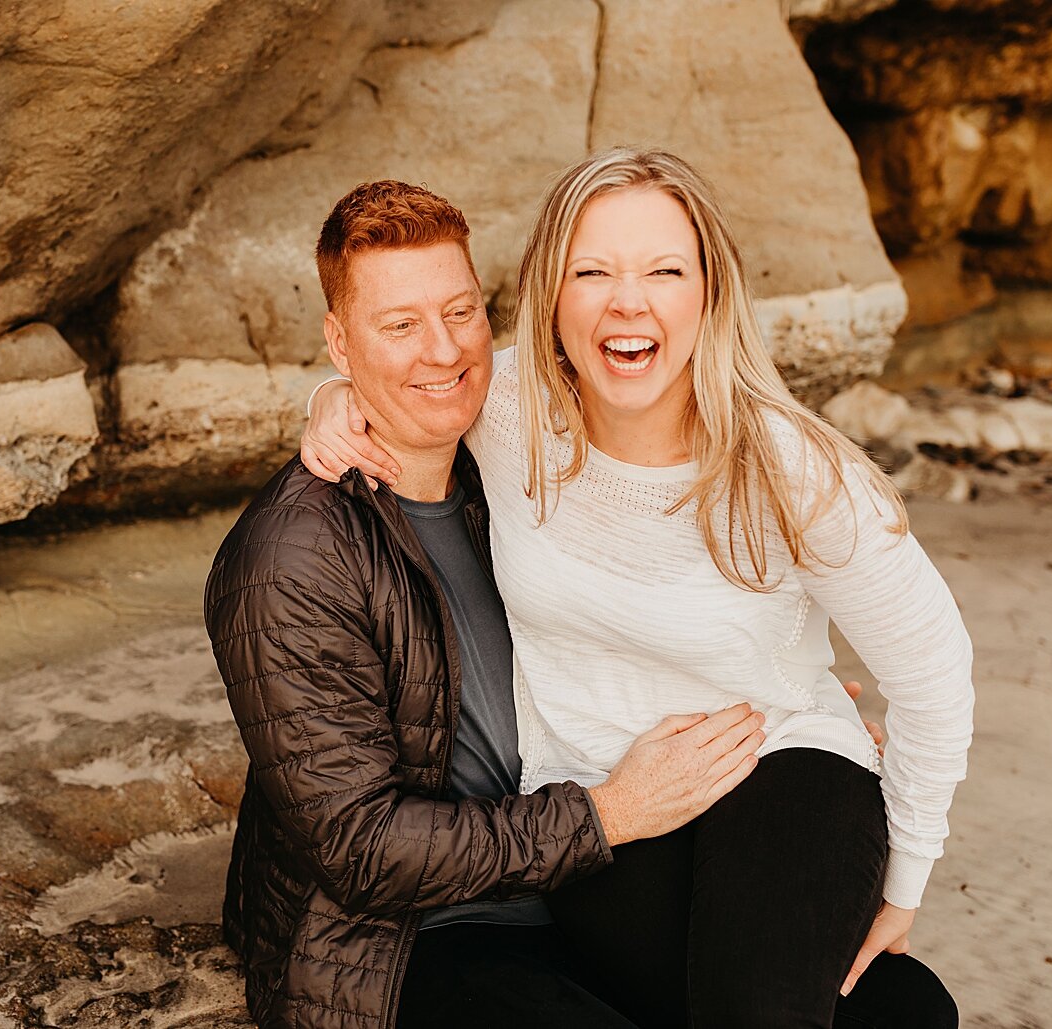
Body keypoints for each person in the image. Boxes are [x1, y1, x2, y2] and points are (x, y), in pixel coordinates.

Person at [302, 149, 975, 1028]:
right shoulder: (506, 408)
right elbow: (400, 372)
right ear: (552, 295)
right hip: (606, 813)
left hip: (783, 772)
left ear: (708, 292)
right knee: (901, 1012)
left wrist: (907, 876)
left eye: (664, 269)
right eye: (593, 271)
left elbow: (933, 666)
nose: (629, 300)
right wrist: (329, 399)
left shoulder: (787, 468)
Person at [204, 179, 774, 1029]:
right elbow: (363, 851)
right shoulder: (290, 557)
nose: (441, 352)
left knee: (899, 1007)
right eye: (398, 326)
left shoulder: (512, 459)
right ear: (339, 340)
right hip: (405, 940)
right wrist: (610, 813)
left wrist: (782, 702)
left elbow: (659, 602)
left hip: (583, 883)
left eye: (460, 312)